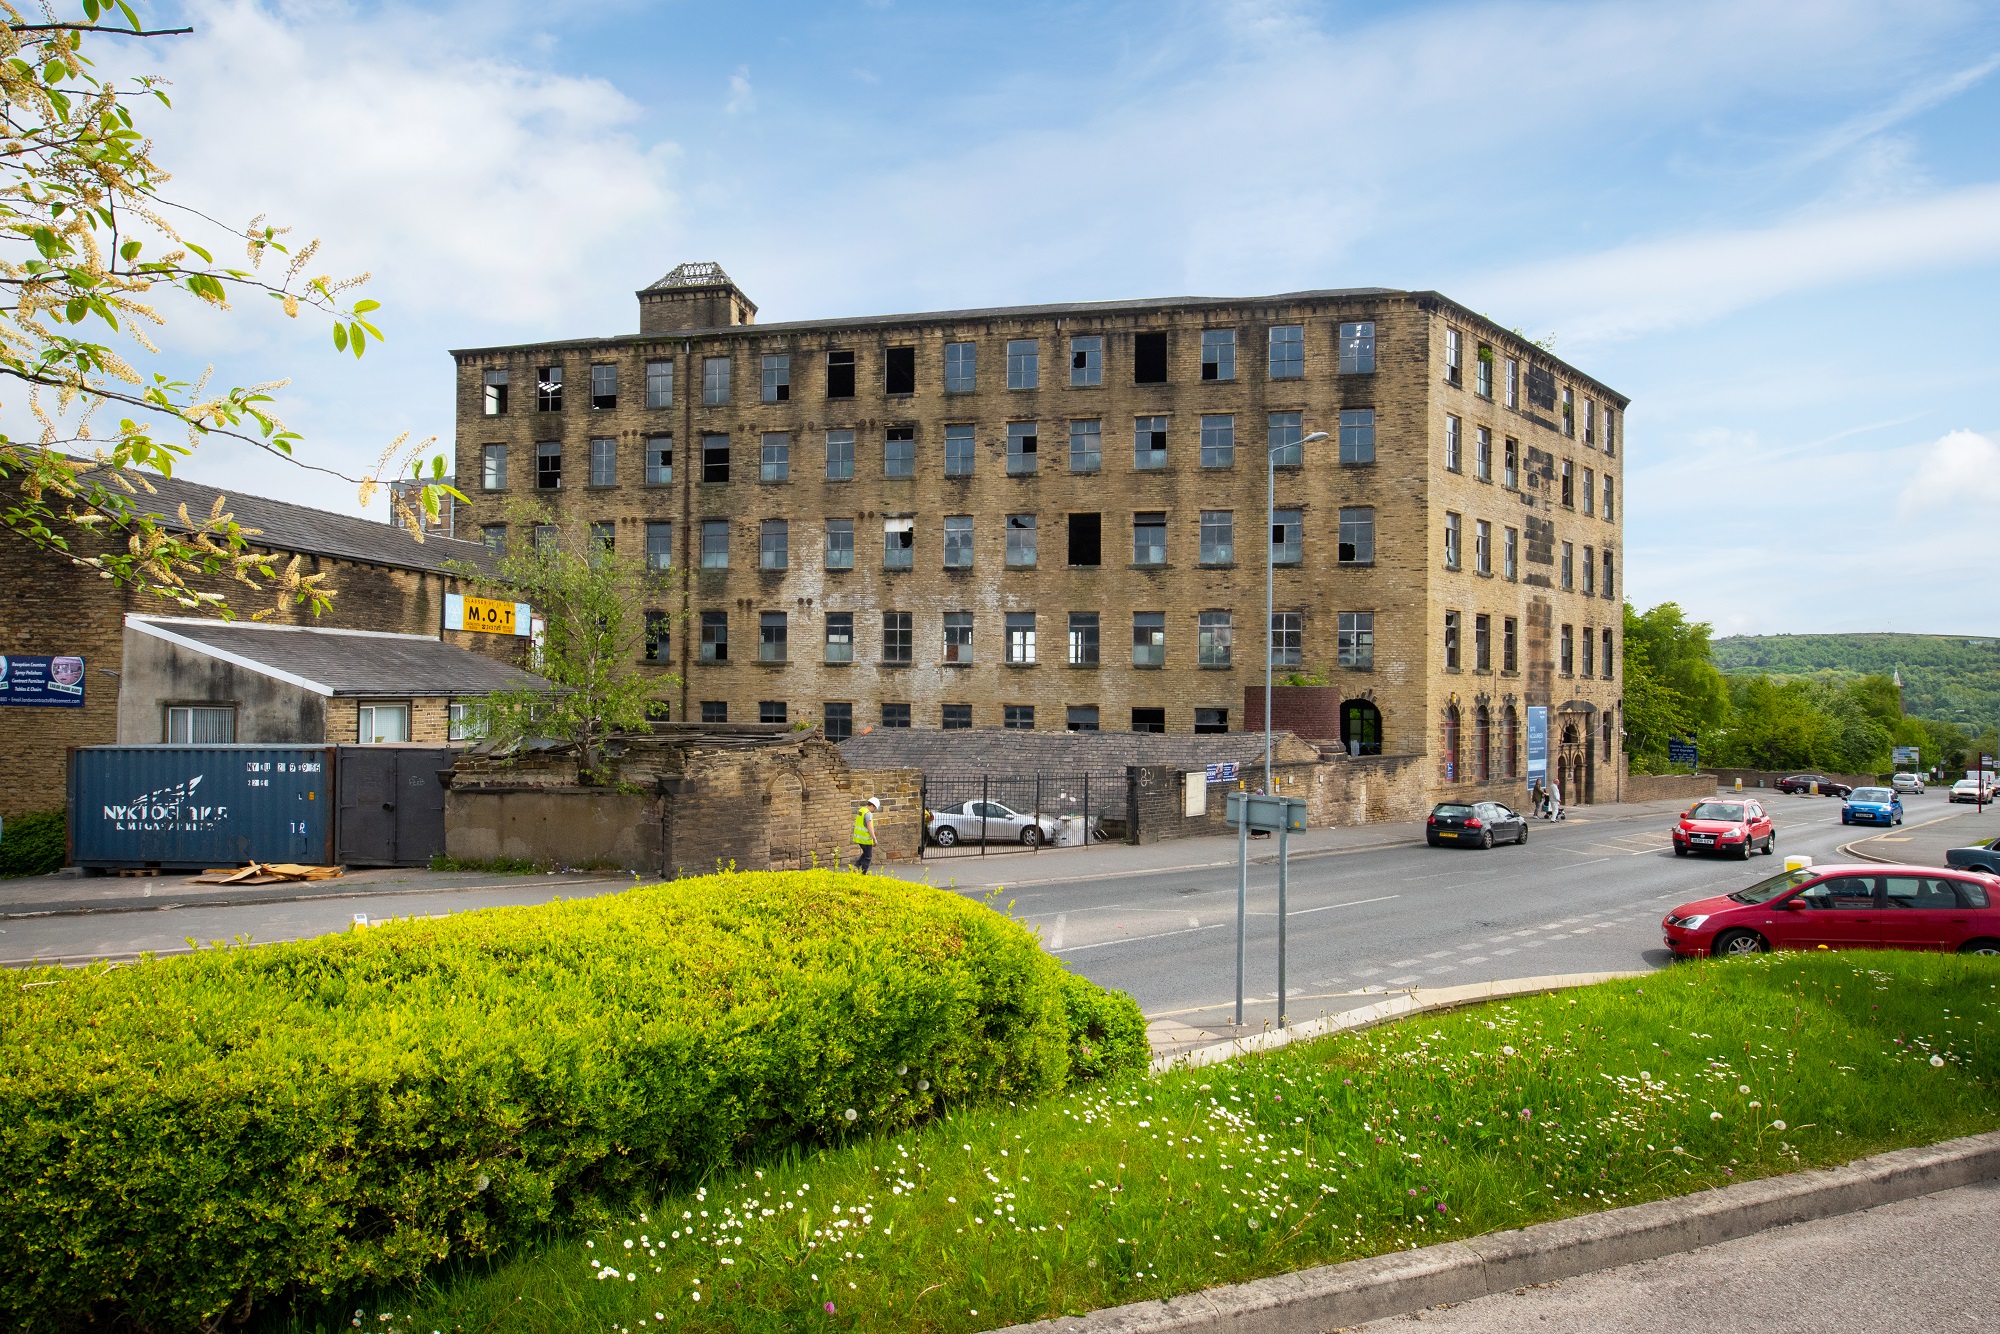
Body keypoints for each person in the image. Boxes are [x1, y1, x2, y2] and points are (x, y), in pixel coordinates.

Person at [851, 796, 880, 873]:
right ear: (872, 805)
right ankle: (864, 873)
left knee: (865, 853)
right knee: (868, 856)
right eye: (874, 808)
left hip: (859, 838)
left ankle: (856, 866)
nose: (874, 810)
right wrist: (874, 839)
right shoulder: (868, 814)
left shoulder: (861, 810)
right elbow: (870, 827)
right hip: (866, 839)